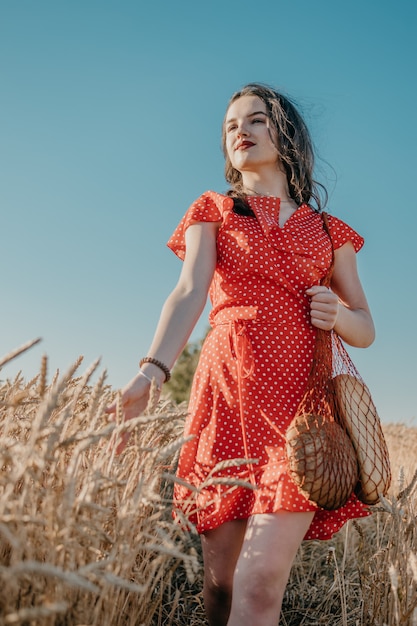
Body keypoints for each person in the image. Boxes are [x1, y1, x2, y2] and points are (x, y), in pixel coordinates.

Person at [107, 83, 375, 626]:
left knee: (258, 585)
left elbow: (365, 327)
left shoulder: (329, 230)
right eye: (231, 126)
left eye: (255, 120)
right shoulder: (214, 209)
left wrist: (337, 314)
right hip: (226, 408)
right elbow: (187, 293)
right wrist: (150, 373)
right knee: (222, 588)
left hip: (302, 422)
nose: (240, 132)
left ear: (287, 134)